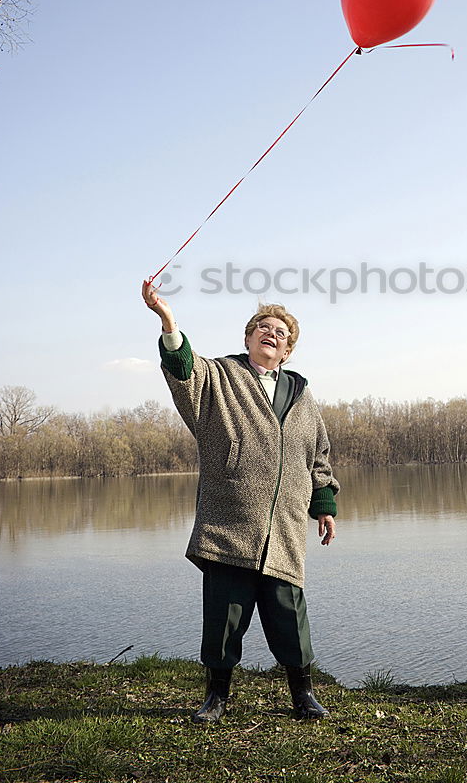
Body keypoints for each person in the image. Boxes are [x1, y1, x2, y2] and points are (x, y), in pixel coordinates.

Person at [141, 281, 339, 723]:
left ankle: (303, 695)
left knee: (290, 615)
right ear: (248, 339)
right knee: (224, 618)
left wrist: (323, 504)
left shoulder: (302, 396)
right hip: (228, 524)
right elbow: (183, 368)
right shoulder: (220, 378)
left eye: (281, 333)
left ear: (288, 351)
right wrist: (168, 321)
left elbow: (318, 455)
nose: (272, 334)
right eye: (263, 328)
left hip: (284, 529)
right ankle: (217, 697)